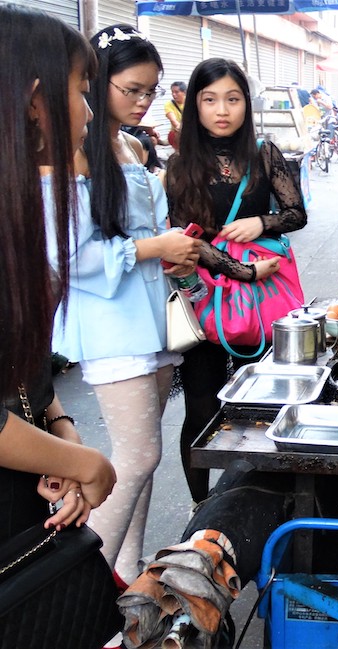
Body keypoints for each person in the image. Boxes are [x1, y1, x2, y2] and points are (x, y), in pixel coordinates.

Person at [47, 24, 201, 587]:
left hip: (150, 314)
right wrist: (154, 247)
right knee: (135, 459)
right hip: (111, 322)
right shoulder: (74, 155)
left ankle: (124, 577)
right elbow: (73, 257)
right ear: (93, 83)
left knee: (142, 460)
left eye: (151, 90)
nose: (143, 101)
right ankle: (80, 587)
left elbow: (143, 233)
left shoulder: (132, 145)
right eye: (131, 89)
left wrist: (169, 254)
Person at [0, 0, 117, 608]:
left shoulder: (19, 212)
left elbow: (24, 373)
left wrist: (61, 435)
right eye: (81, 90)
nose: (90, 112)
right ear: (36, 100)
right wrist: (85, 460)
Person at [165, 58, 307, 504]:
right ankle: (200, 505)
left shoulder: (264, 152)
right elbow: (183, 234)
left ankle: (263, 495)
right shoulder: (179, 163)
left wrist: (261, 223)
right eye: (209, 99)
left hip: (263, 300)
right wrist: (242, 270)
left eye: (232, 98)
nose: (221, 110)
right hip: (205, 295)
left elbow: (296, 213)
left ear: (247, 103)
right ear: (195, 106)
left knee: (266, 397)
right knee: (201, 405)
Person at [164, 80, 185, 149]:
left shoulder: (191, 103)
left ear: (184, 92)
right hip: (177, 133)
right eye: (172, 92)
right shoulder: (169, 105)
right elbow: (174, 121)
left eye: (176, 92)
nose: (173, 94)